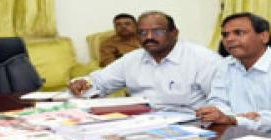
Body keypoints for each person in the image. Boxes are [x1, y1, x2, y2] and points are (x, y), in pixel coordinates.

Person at [67, 11, 221, 112]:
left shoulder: (203, 59)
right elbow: (99, 82)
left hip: (191, 126)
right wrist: (84, 83)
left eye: (157, 31)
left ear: (174, 33)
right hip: (141, 123)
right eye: (142, 32)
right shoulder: (133, 59)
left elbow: (223, 102)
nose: (148, 37)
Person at [197, 13, 271, 139]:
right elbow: (218, 100)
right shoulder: (225, 65)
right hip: (238, 136)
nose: (229, 39)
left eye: (238, 33)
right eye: (225, 35)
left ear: (264, 36)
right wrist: (222, 116)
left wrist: (235, 120)